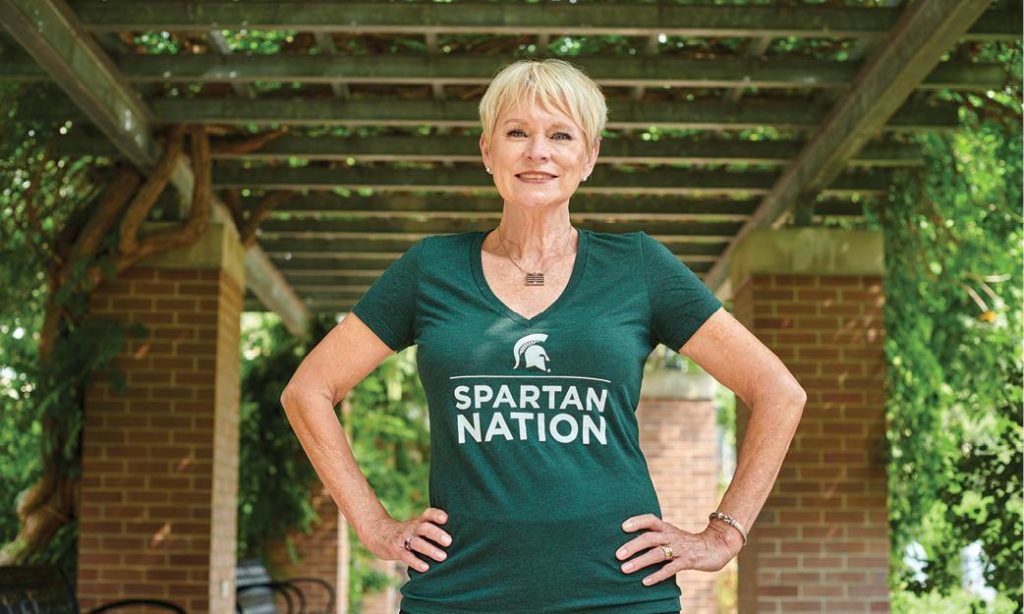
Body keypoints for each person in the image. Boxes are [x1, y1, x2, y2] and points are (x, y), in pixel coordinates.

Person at [280, 58, 805, 613]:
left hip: (618, 593)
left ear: (590, 156)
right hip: (459, 594)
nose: (538, 152)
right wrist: (373, 523)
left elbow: (777, 391)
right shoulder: (430, 269)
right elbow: (308, 390)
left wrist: (724, 533)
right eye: (516, 133)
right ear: (488, 152)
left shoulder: (640, 268)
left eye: (560, 134)